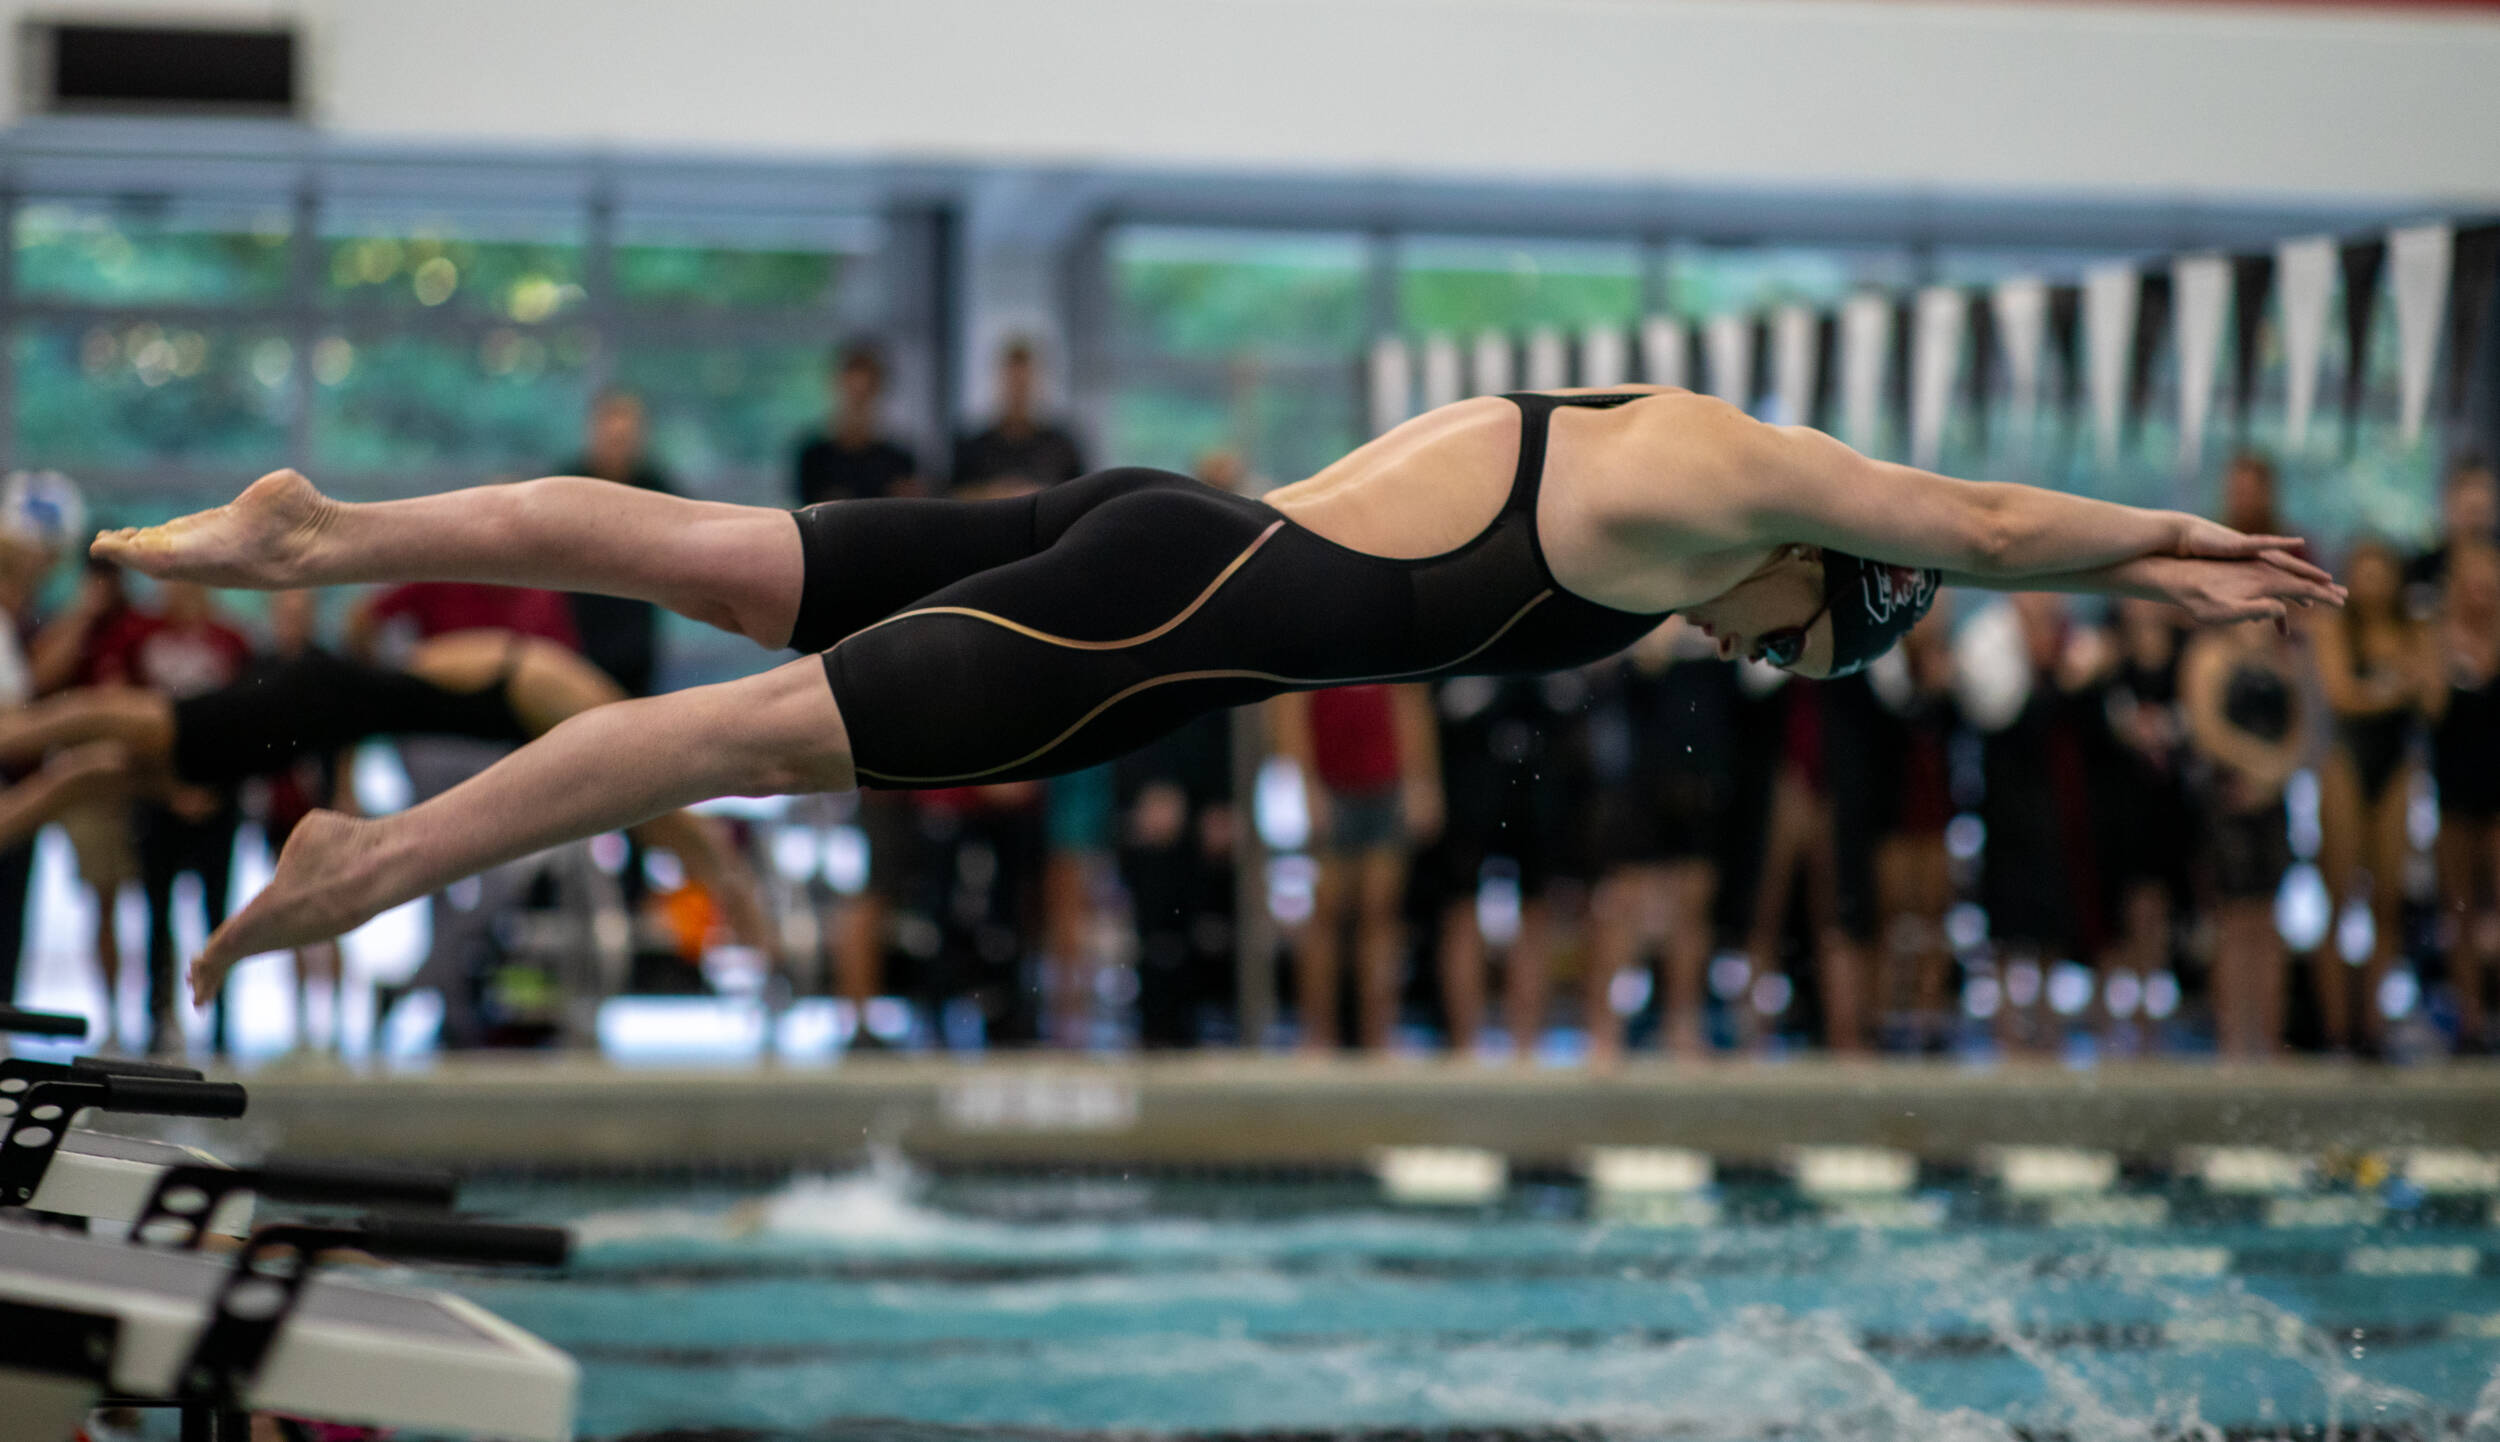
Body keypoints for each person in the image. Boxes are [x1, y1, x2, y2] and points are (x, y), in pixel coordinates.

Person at [91, 384, 2340, 1004]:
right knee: (739, 743)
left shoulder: (1651, 469)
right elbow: (1971, 515)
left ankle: (323, 531)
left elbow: (1938, 534)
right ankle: (376, 859)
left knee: (707, 554)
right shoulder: (1722, 482)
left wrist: (2140, 559)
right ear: (1823, 572)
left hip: (1151, 524)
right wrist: (2166, 544)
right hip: (1150, 623)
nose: (1741, 653)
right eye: (1781, 635)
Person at [0, 629, 774, 969]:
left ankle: (17, 786)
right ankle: (16, 729)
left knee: (119, 767)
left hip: (323, 705)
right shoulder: (574, 701)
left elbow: (658, 811)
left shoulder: (555, 679)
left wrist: (720, 879)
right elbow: (660, 808)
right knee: (145, 725)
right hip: (315, 705)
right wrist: (731, 887)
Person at [1582, 618, 1736, 1063]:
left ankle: (1682, 1025)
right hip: (1640, 759)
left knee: (1692, 897)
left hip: (1700, 749)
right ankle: (1604, 1030)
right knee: (1624, 900)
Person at [2309, 538, 2437, 1054]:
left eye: (2381, 569)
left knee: (2386, 899)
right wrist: (2399, 682)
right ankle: (2335, 1027)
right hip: (2348, 761)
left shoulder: (2416, 629)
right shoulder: (2335, 627)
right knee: (2339, 896)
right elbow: (2343, 696)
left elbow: (2432, 700)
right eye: (2364, 569)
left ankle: (2374, 1027)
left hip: (2396, 764)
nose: (2373, 581)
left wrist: (2399, 681)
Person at [122, 581, 254, 1055]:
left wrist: (218, 788)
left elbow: (250, 723)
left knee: (219, 916)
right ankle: (158, 1016)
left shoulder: (232, 641)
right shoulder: (141, 638)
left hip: (218, 799)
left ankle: (221, 1021)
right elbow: (126, 721)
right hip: (160, 799)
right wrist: (166, 788)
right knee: (157, 916)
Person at [1272, 683, 1439, 1052]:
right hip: (1330, 782)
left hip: (1387, 783)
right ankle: (1319, 1033)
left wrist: (1421, 780)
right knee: (1325, 914)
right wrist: (1306, 782)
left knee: (1381, 913)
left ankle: (1379, 1034)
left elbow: (1410, 702)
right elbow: (1291, 706)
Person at [2182, 611, 2315, 1059]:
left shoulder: (2284, 656)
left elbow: (2300, 728)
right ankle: (2234, 1041)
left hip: (2271, 802)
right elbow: (2207, 731)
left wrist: (2276, 773)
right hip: (2228, 802)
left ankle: (2271, 1037)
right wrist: (2261, 765)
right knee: (2234, 922)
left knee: (2269, 922)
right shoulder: (2210, 654)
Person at [2430, 541, 2500, 1051]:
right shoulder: (2436, 638)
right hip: (2455, 785)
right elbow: (2429, 708)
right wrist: (2446, 646)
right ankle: (2470, 1021)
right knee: (2460, 911)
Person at [559, 391, 675, 698]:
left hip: (634, 628)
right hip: (578, 625)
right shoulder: (568, 483)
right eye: (613, 437)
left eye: (625, 438)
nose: (618, 445)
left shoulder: (656, 484)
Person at [794, 341, 924, 507]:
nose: (858, 403)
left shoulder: (899, 460)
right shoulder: (814, 458)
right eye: (852, 393)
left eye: (865, 393)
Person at [951, 338, 1085, 492]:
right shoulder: (972, 449)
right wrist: (991, 493)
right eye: (1013, 382)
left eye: (1023, 384)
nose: (1018, 392)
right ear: (1000, 382)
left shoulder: (1061, 448)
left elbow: (1082, 495)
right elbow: (952, 495)